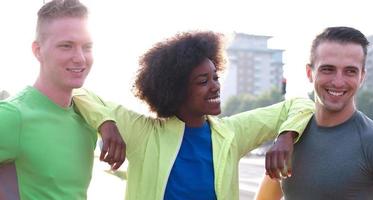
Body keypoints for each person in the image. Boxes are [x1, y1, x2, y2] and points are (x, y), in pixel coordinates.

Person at [72, 30, 314, 200]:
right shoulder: (144, 133)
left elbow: (302, 104)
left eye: (215, 77)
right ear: (176, 89)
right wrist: (106, 123)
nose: (215, 86)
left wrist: (286, 136)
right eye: (203, 81)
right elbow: (78, 92)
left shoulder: (232, 133)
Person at [0, 0, 125, 199]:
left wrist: (106, 121)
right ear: (38, 50)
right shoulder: (12, 116)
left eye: (87, 47)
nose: (80, 58)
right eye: (66, 46)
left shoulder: (87, 116)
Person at [259, 26, 373, 200]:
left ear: (361, 77)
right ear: (310, 73)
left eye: (350, 71)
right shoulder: (291, 137)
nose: (338, 82)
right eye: (328, 69)